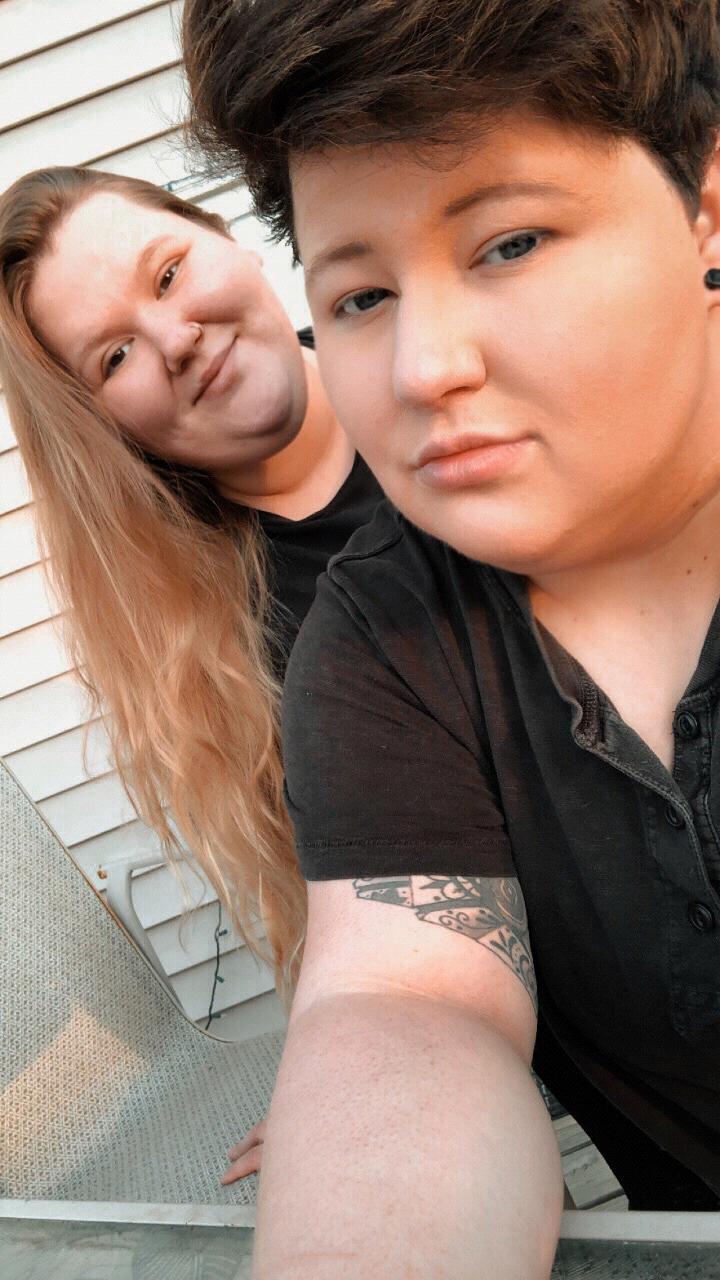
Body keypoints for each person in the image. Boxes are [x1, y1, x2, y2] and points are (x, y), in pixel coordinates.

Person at [182, 0, 720, 1273]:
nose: (424, 366)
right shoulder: (379, 642)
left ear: (705, 204)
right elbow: (404, 999)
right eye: (361, 294)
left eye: (509, 241)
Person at [0, 166, 382, 1010]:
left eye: (169, 274)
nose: (175, 339)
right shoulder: (219, 641)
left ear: (226, 236)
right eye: (115, 356)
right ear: (104, 428)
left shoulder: (432, 361)